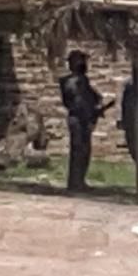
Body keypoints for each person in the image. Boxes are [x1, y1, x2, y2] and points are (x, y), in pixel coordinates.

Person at [58, 50, 104, 193]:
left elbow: (93, 97)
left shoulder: (82, 81)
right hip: (78, 118)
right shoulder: (72, 81)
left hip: (82, 118)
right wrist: (91, 112)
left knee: (83, 151)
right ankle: (75, 183)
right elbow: (78, 102)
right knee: (79, 150)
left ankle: (79, 181)